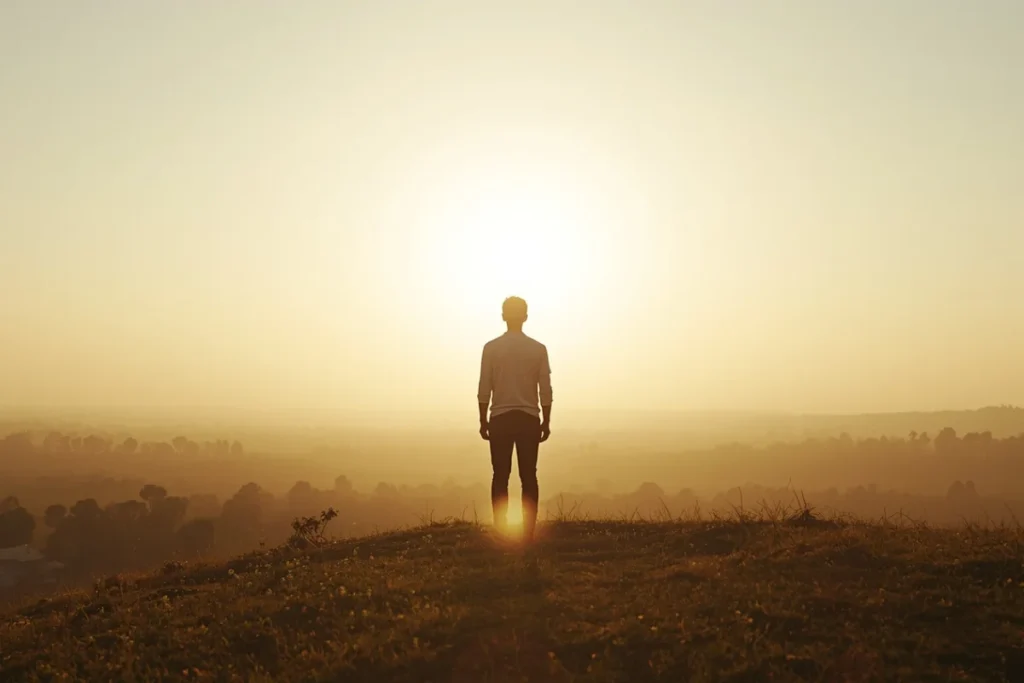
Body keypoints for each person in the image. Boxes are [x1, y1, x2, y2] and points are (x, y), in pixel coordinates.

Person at [477, 296, 552, 542]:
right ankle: (528, 532)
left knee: (500, 475)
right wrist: (546, 420)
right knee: (528, 476)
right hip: (529, 417)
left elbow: (484, 387)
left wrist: (483, 419)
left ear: (503, 316)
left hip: (500, 417)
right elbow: (545, 389)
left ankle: (501, 529)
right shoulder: (538, 349)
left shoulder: (491, 348)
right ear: (526, 317)